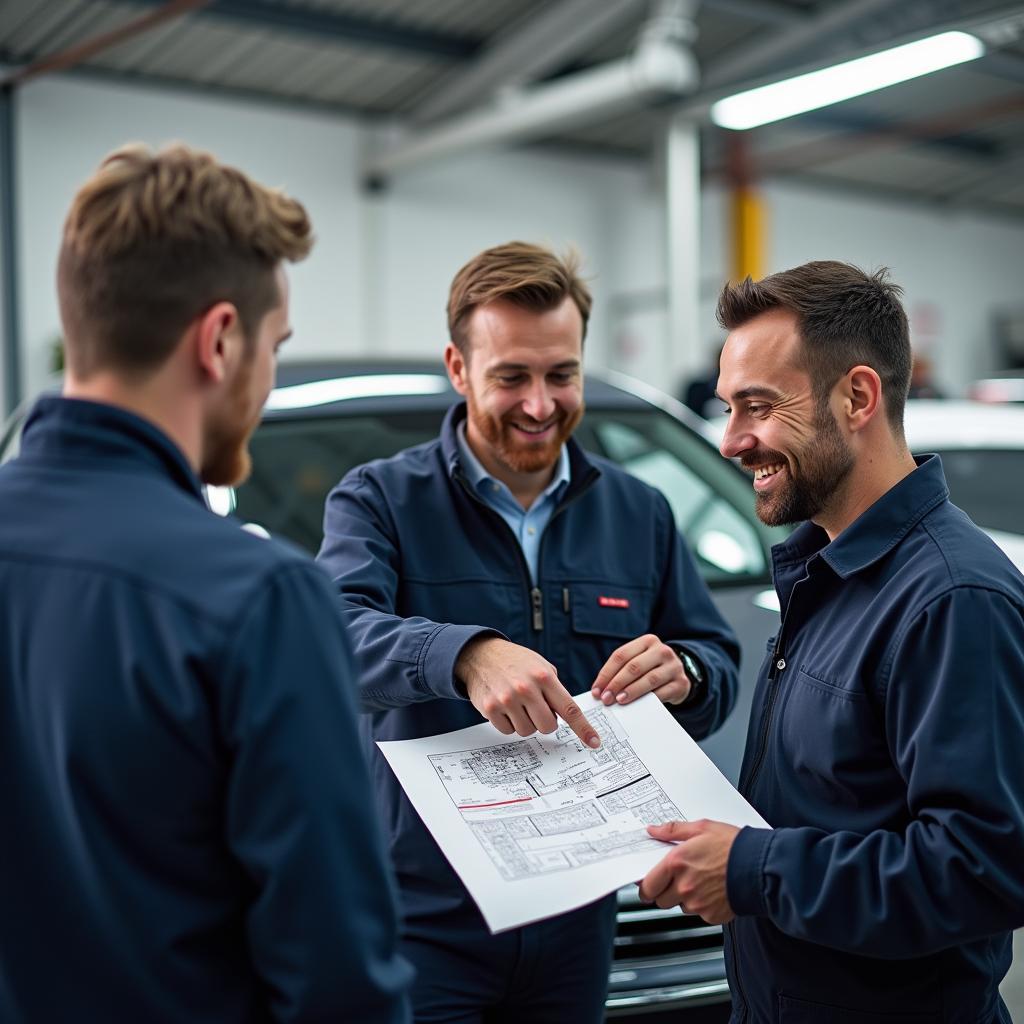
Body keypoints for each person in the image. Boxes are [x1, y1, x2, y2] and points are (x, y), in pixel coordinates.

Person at [0, 144, 411, 1023]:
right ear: (220, 339)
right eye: (274, 348)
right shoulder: (257, 601)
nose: (265, 378)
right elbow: (338, 979)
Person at [316, 241, 740, 1023]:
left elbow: (715, 659)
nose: (541, 404)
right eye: (512, 376)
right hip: (425, 918)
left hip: (580, 913)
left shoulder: (638, 511)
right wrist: (462, 654)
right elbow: (335, 638)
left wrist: (687, 669)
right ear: (458, 366)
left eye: (561, 374)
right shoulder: (377, 500)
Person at [639, 261, 1024, 1021]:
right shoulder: (830, 571)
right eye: (727, 408)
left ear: (857, 397)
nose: (731, 441)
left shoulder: (952, 599)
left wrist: (753, 869)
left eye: (757, 407)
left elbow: (983, 871)